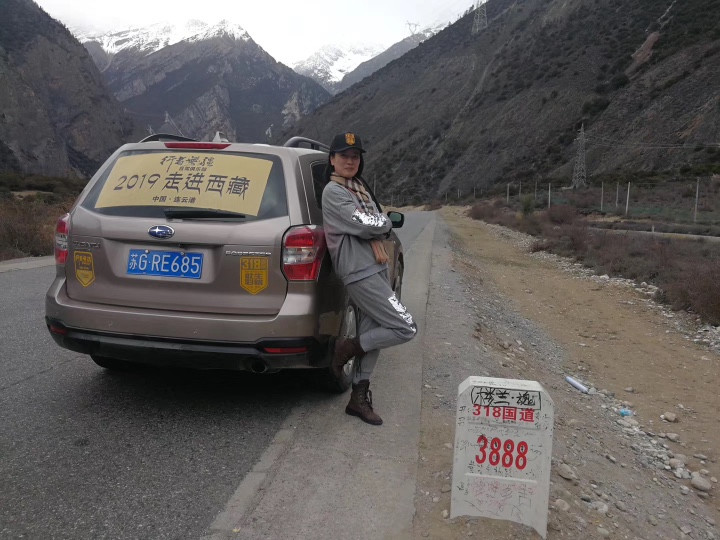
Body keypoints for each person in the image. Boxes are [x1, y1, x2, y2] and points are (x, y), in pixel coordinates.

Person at [321, 131, 417, 426]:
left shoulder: (358, 188)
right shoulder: (334, 192)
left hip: (375, 267)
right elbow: (365, 223)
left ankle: (358, 397)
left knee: (373, 330)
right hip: (359, 271)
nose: (350, 161)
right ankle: (347, 348)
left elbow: (371, 222)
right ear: (332, 159)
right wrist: (385, 221)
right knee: (405, 326)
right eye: (344, 156)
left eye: (355, 156)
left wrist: (380, 222)